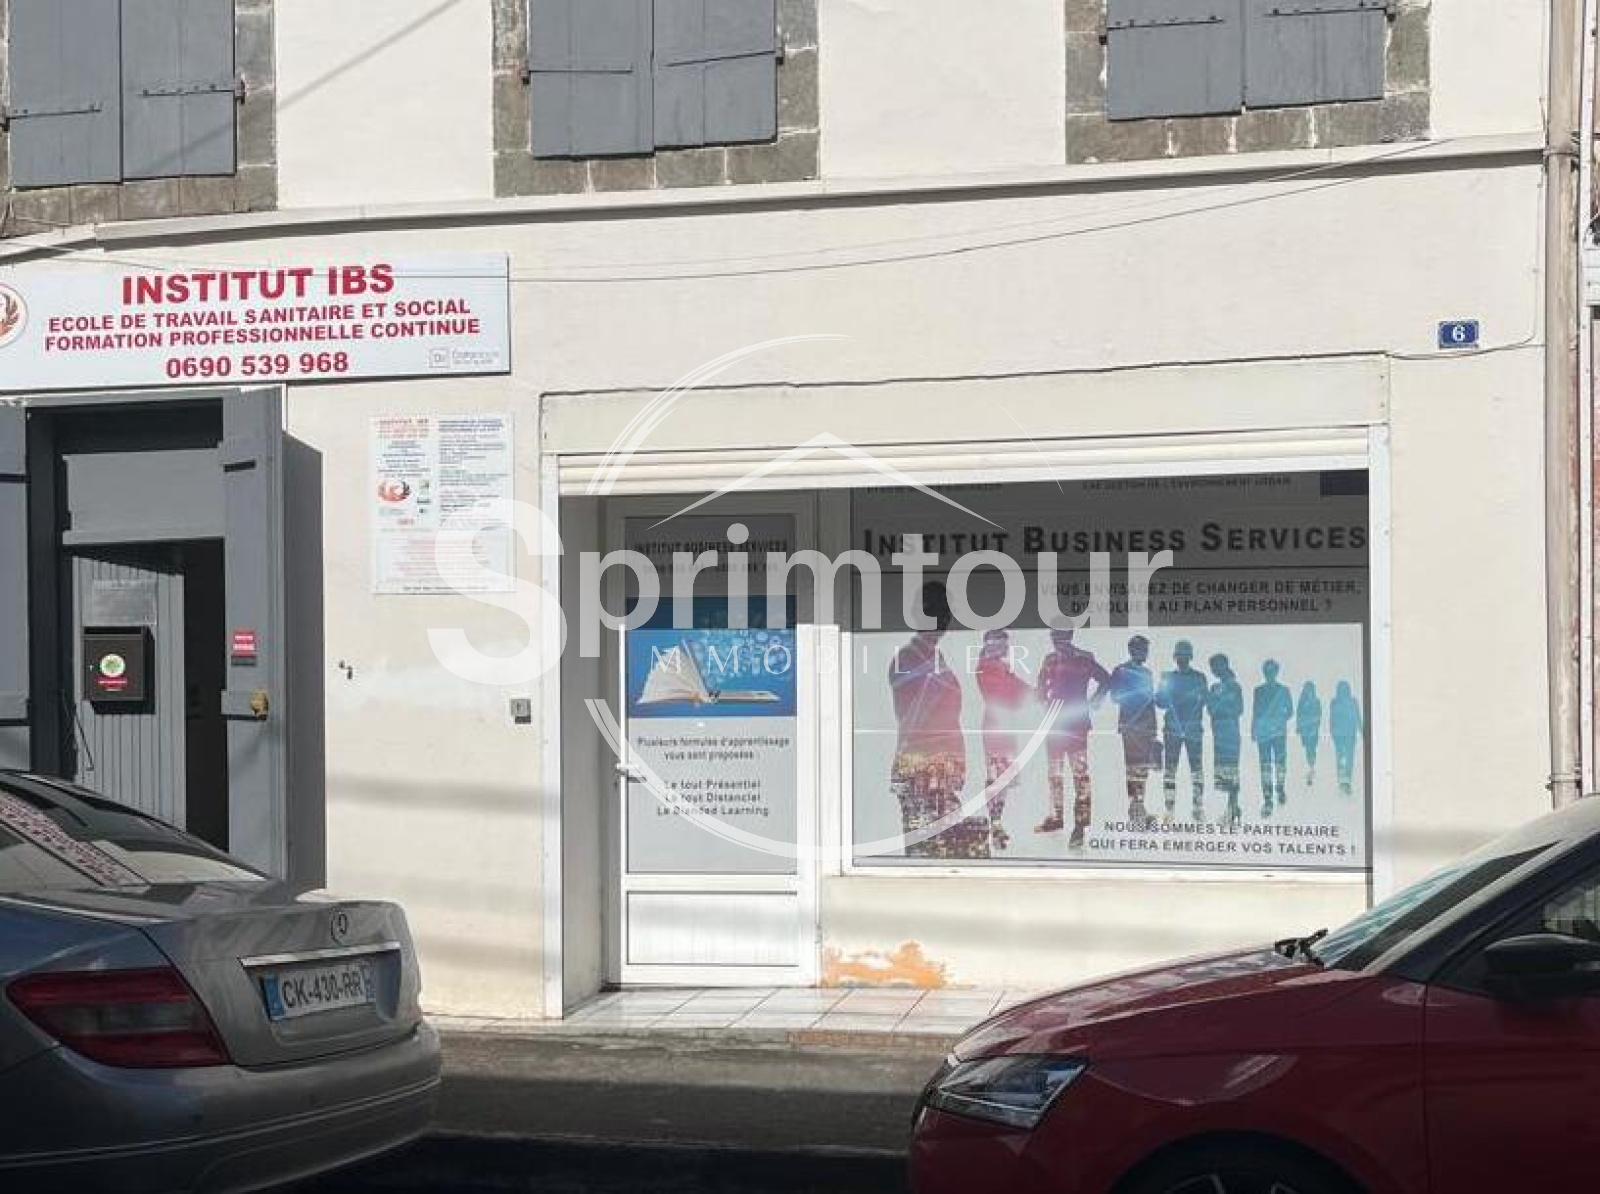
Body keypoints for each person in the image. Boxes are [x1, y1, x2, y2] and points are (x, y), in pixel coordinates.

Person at [890, 583, 988, 859]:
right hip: (923, 767)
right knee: (929, 852)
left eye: (945, 611)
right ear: (917, 614)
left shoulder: (933, 658)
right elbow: (912, 719)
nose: (942, 619)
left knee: (946, 851)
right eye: (933, 610)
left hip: (941, 768)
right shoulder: (909, 659)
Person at [1036, 626, 1110, 849]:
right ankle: (1057, 818)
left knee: (1079, 774)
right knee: (1056, 774)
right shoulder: (1051, 659)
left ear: (1069, 636)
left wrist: (1095, 701)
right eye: (1054, 637)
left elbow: (1105, 679)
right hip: (1055, 723)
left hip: (1075, 723)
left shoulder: (1083, 658)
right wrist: (1043, 701)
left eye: (1060, 637)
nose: (1057, 641)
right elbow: (1040, 684)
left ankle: (1079, 827)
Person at [975, 628, 1031, 853]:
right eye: (1002, 643)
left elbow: (1020, 688)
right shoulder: (987, 666)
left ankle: (997, 822)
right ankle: (995, 823)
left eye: (1006, 643)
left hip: (1005, 726)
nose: (1006, 647)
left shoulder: (1000, 667)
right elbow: (1006, 693)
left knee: (1003, 777)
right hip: (995, 727)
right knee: (996, 776)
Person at [1108, 635, 1159, 828]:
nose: (1145, 653)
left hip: (1146, 726)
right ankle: (1135, 810)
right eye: (1142, 649)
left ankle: (1138, 808)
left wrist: (1154, 729)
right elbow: (1115, 696)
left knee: (1142, 769)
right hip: (1131, 724)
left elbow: (1151, 701)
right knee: (1133, 768)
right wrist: (1138, 696)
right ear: (1132, 650)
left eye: (1146, 649)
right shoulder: (1121, 671)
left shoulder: (1147, 673)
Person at [1157, 640, 1208, 824]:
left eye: (1184, 656)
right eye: (1179, 656)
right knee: (1171, 770)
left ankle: (1198, 808)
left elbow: (1204, 700)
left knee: (1196, 770)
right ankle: (1169, 809)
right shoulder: (1169, 677)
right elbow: (1160, 702)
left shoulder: (1199, 678)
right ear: (1175, 657)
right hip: (1173, 729)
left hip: (1191, 729)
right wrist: (1163, 690)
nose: (1182, 659)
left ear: (1190, 657)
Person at [1206, 653, 1244, 829]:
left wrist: (1219, 705)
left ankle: (1232, 808)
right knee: (1223, 772)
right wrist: (1218, 704)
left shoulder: (1234, 686)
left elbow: (1238, 709)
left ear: (1224, 665)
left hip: (1230, 732)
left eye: (1216, 666)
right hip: (1219, 732)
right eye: (1212, 667)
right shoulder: (1214, 687)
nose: (1214, 670)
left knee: (1231, 770)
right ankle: (1231, 808)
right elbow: (1210, 709)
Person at [1251, 660, 1293, 817]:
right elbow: (1256, 711)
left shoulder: (1282, 690)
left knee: (1275, 764)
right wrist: (1254, 729)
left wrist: (1278, 719)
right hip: (1269, 733)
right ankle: (1269, 796)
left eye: (1271, 671)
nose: (1269, 674)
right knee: (1268, 766)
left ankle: (1278, 790)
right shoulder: (1260, 691)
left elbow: (1290, 711)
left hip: (1274, 732)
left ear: (1275, 672)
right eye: (1267, 672)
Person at [1330, 680, 1363, 797]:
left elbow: (1333, 719)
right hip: (1346, 734)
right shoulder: (1348, 702)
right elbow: (1357, 717)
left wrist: (1361, 730)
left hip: (1343, 734)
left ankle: (1344, 781)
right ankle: (1345, 781)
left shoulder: (1336, 702)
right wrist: (1361, 730)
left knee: (1343, 758)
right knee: (1347, 758)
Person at [1296, 681, 1323, 788]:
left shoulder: (1315, 701)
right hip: (1306, 729)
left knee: (1311, 748)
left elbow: (1319, 715)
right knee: (1308, 748)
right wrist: (1299, 726)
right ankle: (1310, 766)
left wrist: (1315, 725)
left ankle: (1311, 767)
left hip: (1312, 729)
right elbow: (1299, 714)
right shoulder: (1303, 701)